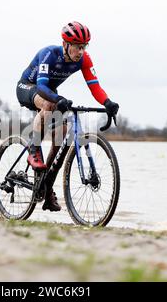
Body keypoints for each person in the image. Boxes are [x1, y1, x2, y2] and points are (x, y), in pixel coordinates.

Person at [16, 21, 119, 212]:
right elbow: (41, 86)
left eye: (84, 47)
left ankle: (46, 189)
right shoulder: (48, 54)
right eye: (77, 47)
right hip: (30, 87)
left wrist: (107, 103)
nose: (80, 51)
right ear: (65, 44)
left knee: (62, 133)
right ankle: (34, 149)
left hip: (50, 91)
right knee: (48, 104)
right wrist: (58, 99)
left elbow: (94, 86)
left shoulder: (84, 60)